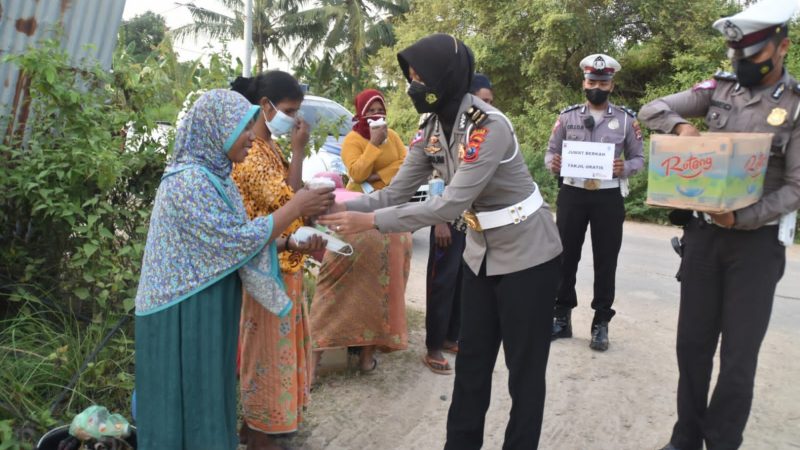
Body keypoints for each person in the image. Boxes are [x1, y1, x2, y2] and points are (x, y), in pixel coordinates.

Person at [318, 33, 563, 449]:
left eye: (419, 78)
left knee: (524, 372)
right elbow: (395, 192)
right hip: (482, 255)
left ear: (446, 78)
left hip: (529, 257)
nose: (413, 87)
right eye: (410, 78)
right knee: (471, 365)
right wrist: (338, 206)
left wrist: (371, 222)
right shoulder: (430, 128)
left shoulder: (490, 127)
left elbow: (449, 206)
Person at [638, 0, 800, 448]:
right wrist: (679, 128)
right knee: (691, 347)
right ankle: (684, 437)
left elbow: (795, 187)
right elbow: (651, 109)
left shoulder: (796, 106)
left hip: (756, 248)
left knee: (738, 359)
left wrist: (742, 216)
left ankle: (723, 440)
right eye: (735, 55)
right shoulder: (719, 90)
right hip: (703, 237)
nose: (739, 64)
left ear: (782, 46)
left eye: (750, 56)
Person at [133, 89, 333, 450]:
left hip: (205, 306)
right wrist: (297, 204)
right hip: (180, 312)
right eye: (243, 128)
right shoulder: (187, 181)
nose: (252, 136)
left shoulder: (218, 177)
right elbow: (234, 241)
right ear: (216, 129)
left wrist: (289, 243)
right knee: (183, 401)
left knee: (208, 395)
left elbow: (236, 243)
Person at [230, 71, 323, 449]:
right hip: (267, 268)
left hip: (284, 263)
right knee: (267, 362)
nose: (294, 119)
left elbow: (290, 195)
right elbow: (290, 204)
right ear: (265, 106)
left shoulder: (268, 147)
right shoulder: (253, 155)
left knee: (279, 359)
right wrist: (300, 151)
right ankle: (260, 433)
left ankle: (260, 431)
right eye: (289, 110)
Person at [545, 54, 644, 351]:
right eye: (592, 81)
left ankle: (601, 322)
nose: (597, 86)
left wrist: (623, 168)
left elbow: (639, 158)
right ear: (583, 82)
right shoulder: (566, 117)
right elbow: (550, 152)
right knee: (565, 257)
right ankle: (561, 317)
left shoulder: (627, 120)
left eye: (602, 82)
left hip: (607, 196)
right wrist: (555, 163)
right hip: (573, 193)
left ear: (611, 84)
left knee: (605, 261)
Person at [422, 74, 496, 374]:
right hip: (446, 220)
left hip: (473, 221)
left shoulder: (486, 131)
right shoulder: (442, 125)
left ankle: (453, 336)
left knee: (465, 283)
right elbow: (434, 174)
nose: (487, 107)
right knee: (442, 282)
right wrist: (439, 219)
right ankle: (433, 346)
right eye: (483, 101)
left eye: (491, 102)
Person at [309, 171, 411, 373]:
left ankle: (309, 373)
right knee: (376, 297)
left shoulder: (321, 203)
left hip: (352, 230)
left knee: (328, 296)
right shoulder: (352, 195)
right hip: (394, 230)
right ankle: (365, 361)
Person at [341, 88, 408, 193]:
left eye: (380, 110)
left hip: (391, 196)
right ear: (362, 113)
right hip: (361, 199)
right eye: (371, 111)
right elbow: (357, 175)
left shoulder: (392, 135)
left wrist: (377, 176)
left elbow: (406, 164)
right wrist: (374, 143)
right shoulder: (352, 139)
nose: (377, 114)